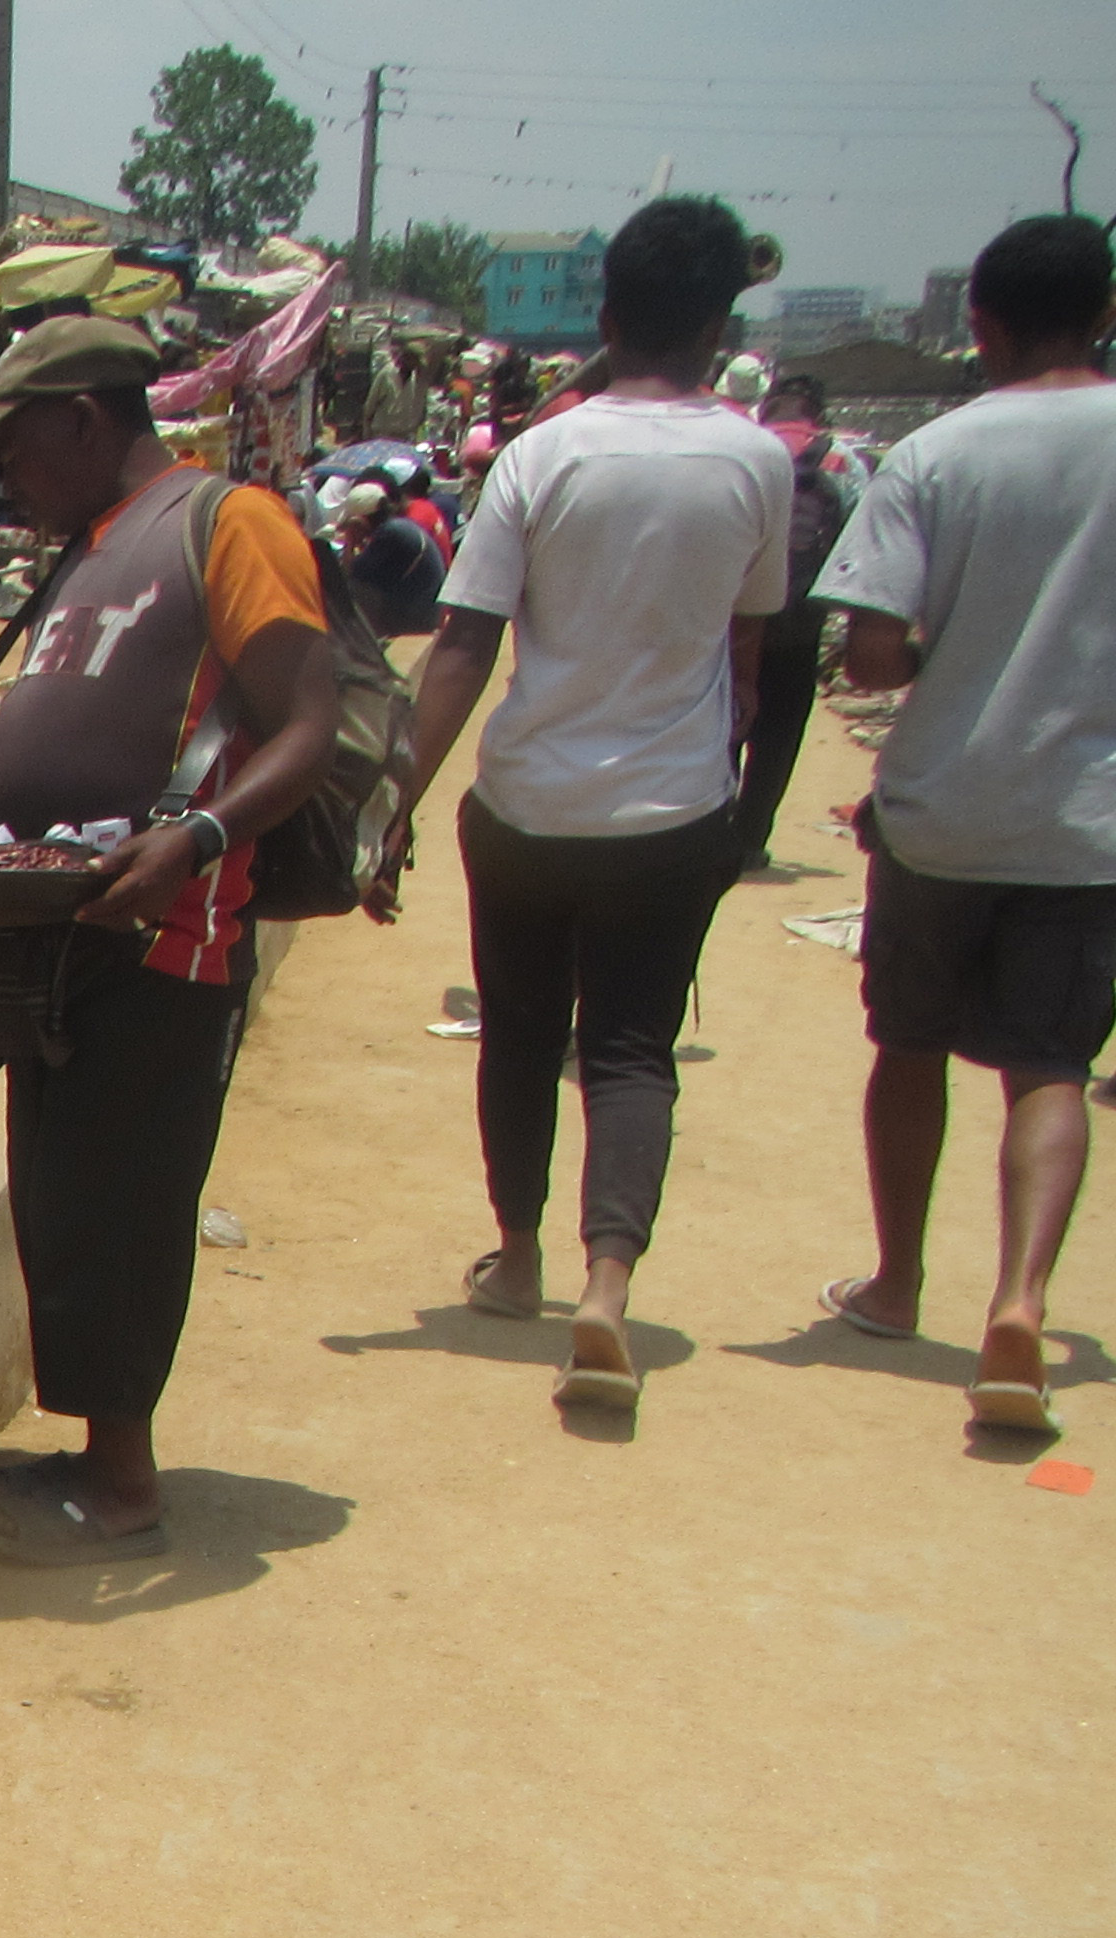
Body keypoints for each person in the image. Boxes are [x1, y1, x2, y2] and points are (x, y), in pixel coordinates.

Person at [0, 314, 340, 1562]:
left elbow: (305, 724)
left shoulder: (227, 523)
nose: (4, 474)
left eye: (12, 446)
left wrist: (196, 841)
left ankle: (121, 1487)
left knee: (123, 1201)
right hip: (65, 931)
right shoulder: (93, 549)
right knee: (62, 1198)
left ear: (80, 418)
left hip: (167, 930)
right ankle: (98, 1457)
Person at [370, 194, 789, 1417]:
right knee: (629, 1050)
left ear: (605, 318)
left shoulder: (540, 456)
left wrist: (388, 808)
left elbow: (459, 648)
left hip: (526, 810)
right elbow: (747, 656)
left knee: (516, 1032)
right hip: (670, 819)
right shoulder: (757, 461)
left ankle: (518, 1258)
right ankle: (606, 1291)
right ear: (719, 326)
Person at [813, 213, 1116, 1436]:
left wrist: (962, 645)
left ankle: (894, 1284)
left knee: (911, 1045)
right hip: (1085, 823)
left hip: (938, 811)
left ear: (977, 325)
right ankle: (1023, 1299)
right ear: (1102, 313)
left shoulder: (932, 455)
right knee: (1049, 1067)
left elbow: (871, 656)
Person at [730, 371, 856, 874]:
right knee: (779, 734)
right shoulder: (842, 460)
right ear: (817, 416)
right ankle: (751, 838)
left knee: (727, 719)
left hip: (736, 614)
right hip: (801, 618)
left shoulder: (744, 448)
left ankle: (714, 828)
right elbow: (854, 537)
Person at [338, 481, 447, 638]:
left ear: (362, 518)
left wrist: (350, 541)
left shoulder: (391, 533)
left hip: (418, 618)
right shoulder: (399, 525)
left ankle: (361, 644)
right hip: (426, 610)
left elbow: (352, 572)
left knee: (352, 589)